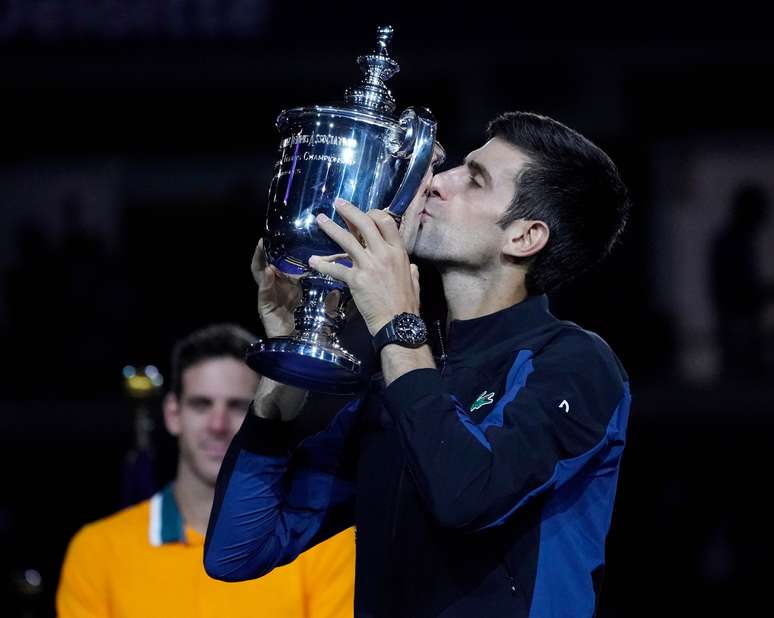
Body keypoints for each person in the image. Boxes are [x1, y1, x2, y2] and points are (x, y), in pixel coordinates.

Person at [204, 112, 632, 617]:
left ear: (524, 237)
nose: (435, 182)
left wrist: (395, 320)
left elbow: (467, 496)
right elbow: (237, 551)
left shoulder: (576, 363)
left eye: (473, 179)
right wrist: (286, 369)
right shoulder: (398, 376)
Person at [57, 324, 355, 618]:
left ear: (264, 411)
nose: (218, 425)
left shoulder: (319, 543)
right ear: (173, 414)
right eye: (201, 405)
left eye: (238, 406)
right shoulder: (97, 550)